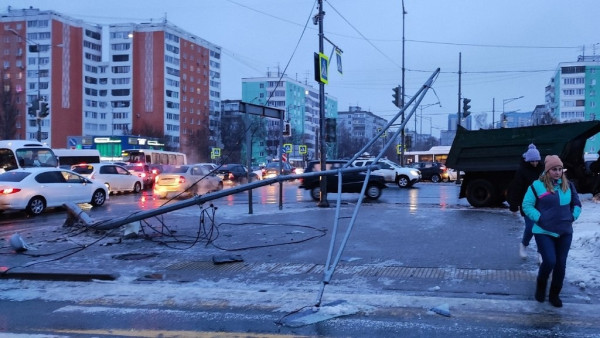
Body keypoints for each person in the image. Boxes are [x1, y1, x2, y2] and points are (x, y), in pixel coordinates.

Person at [521, 155, 582, 307]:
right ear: (547, 171)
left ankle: (554, 294)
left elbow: (577, 203)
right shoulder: (536, 186)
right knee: (549, 261)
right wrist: (540, 218)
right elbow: (527, 205)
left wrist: (572, 216)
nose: (557, 172)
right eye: (554, 169)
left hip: (565, 231)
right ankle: (541, 285)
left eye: (560, 169)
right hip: (543, 231)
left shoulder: (568, 185)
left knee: (561, 264)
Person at [507, 143, 543, 259]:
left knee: (541, 228)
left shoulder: (542, 170)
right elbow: (516, 188)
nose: (534, 163)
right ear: (527, 160)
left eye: (536, 161)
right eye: (532, 161)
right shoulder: (521, 171)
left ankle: (540, 252)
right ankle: (523, 244)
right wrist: (513, 204)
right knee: (531, 227)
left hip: (541, 203)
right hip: (527, 203)